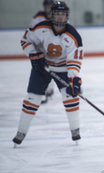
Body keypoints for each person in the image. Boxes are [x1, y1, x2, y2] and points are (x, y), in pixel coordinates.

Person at [13, 1, 83, 147]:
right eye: (57, 13)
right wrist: (33, 54)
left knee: (71, 98)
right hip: (42, 67)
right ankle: (21, 132)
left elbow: (73, 59)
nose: (59, 17)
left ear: (67, 16)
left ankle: (75, 130)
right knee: (32, 98)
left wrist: (74, 78)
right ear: (51, 14)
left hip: (63, 69)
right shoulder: (41, 27)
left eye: (62, 14)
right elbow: (26, 40)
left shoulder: (73, 35)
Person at [30, 0, 55, 104]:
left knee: (54, 68)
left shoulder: (59, 15)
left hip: (55, 48)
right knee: (41, 69)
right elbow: (31, 33)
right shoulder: (38, 17)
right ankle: (43, 91)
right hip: (41, 48)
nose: (49, 8)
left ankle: (50, 89)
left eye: (51, 6)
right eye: (47, 6)